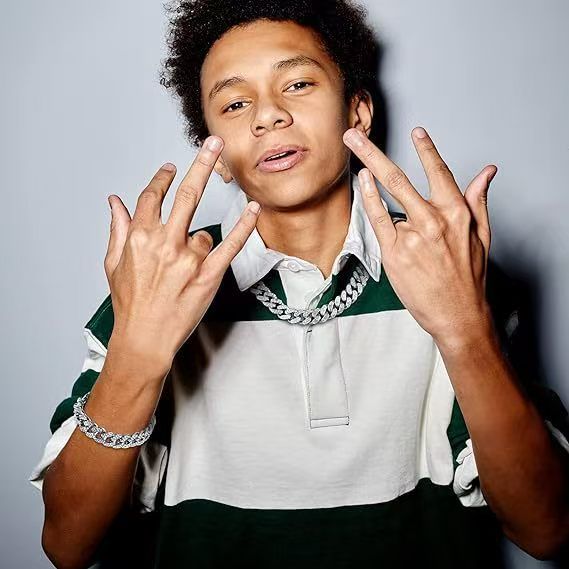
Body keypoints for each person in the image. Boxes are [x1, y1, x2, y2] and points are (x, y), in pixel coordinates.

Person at [29, 1, 569, 567]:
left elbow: (548, 529)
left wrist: (465, 331)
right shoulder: (161, 281)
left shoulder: (449, 262)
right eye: (235, 104)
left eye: (298, 84)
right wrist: (137, 353)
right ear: (215, 154)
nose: (268, 115)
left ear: (357, 113)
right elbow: (68, 545)